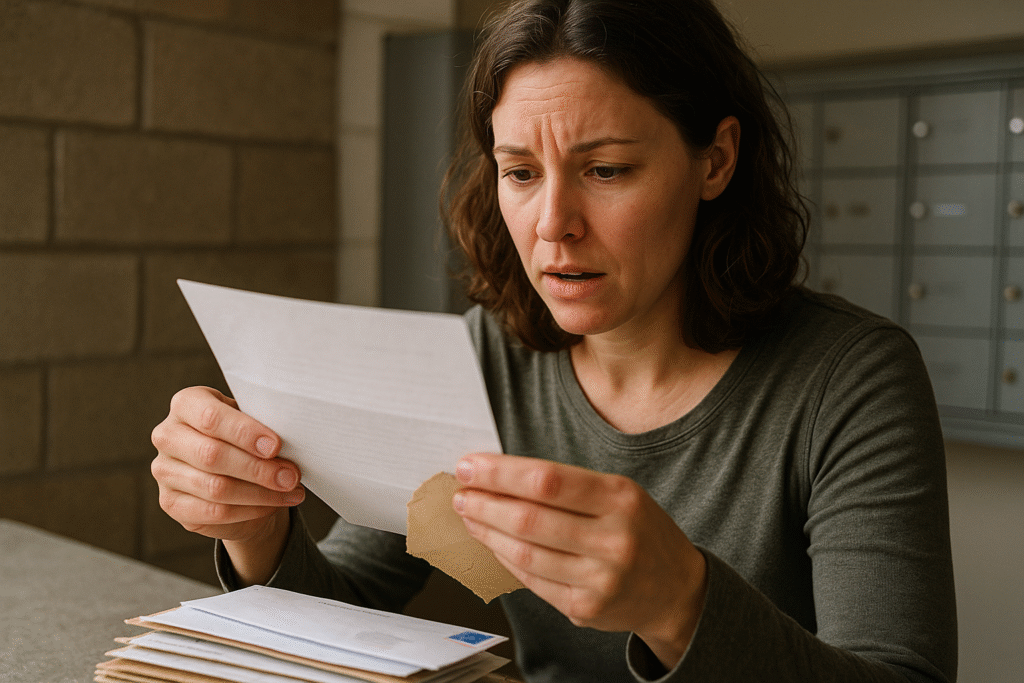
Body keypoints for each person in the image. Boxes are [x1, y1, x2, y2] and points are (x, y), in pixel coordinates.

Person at [150, 0, 958, 681]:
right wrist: (255, 530)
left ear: (715, 160)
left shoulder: (850, 377)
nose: (553, 225)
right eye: (521, 172)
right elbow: (350, 600)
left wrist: (682, 603)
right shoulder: (486, 357)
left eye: (606, 170)